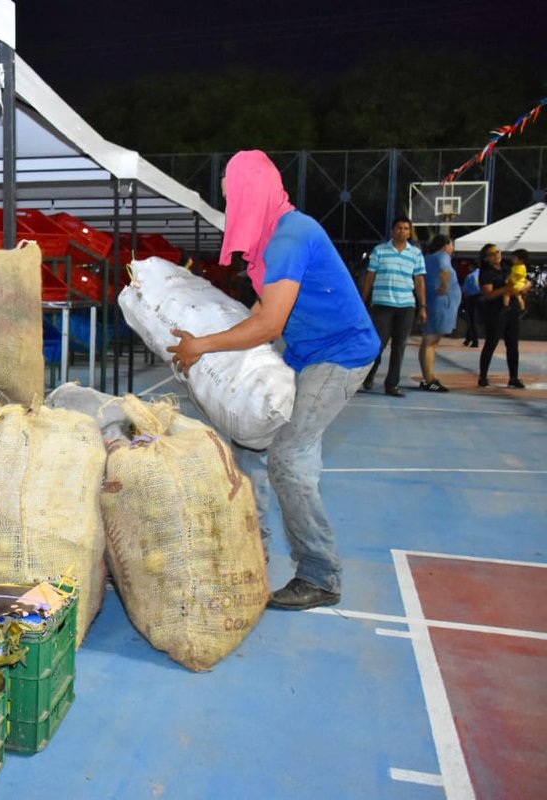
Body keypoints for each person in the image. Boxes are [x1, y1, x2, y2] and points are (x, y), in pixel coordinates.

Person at [167, 150, 380, 611]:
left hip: (341, 354)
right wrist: (214, 339)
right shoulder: (270, 240)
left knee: (288, 456)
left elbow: (268, 324)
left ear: (255, 192)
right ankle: (252, 550)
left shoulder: (291, 236)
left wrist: (203, 345)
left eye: (233, 197)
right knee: (252, 441)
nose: (230, 207)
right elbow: (263, 309)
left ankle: (320, 576)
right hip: (306, 352)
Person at [361, 217, 427, 397]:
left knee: (399, 346)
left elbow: (419, 281)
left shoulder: (416, 254)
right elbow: (370, 277)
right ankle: (368, 375)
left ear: (410, 232)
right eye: (399, 228)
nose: (402, 231)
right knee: (378, 344)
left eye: (406, 228)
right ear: (392, 231)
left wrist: (422, 306)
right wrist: (363, 300)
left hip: (406, 305)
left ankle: (392, 384)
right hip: (382, 304)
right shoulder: (380, 251)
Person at [476, 243, 527, 389]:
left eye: (498, 252)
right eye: (492, 254)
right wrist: (506, 289)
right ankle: (483, 376)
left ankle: (513, 377)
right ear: (486, 258)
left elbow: (522, 281)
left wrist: (522, 287)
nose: (497, 255)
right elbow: (488, 294)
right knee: (491, 343)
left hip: (512, 310)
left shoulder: (507, 267)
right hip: (496, 312)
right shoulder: (486, 272)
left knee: (513, 345)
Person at [417, 234, 462, 392]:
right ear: (446, 245)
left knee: (429, 341)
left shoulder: (427, 258)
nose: (452, 248)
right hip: (441, 304)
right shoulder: (442, 256)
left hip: (435, 302)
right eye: (452, 245)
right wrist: (445, 286)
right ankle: (430, 379)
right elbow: (445, 269)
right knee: (431, 341)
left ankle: (427, 377)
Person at [460, 260, 482, 347]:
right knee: (476, 319)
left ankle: (475, 341)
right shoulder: (482, 274)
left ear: (472, 266)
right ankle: (468, 339)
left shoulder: (470, 276)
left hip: (473, 298)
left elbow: (465, 289)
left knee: (472, 320)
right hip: (483, 298)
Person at [507, 249, 530, 313]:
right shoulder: (515, 266)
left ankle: (506, 306)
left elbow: (518, 275)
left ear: (521, 260)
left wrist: (512, 280)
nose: (512, 259)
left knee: (506, 294)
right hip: (517, 284)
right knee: (519, 297)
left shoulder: (520, 267)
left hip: (517, 284)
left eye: (514, 258)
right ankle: (522, 308)